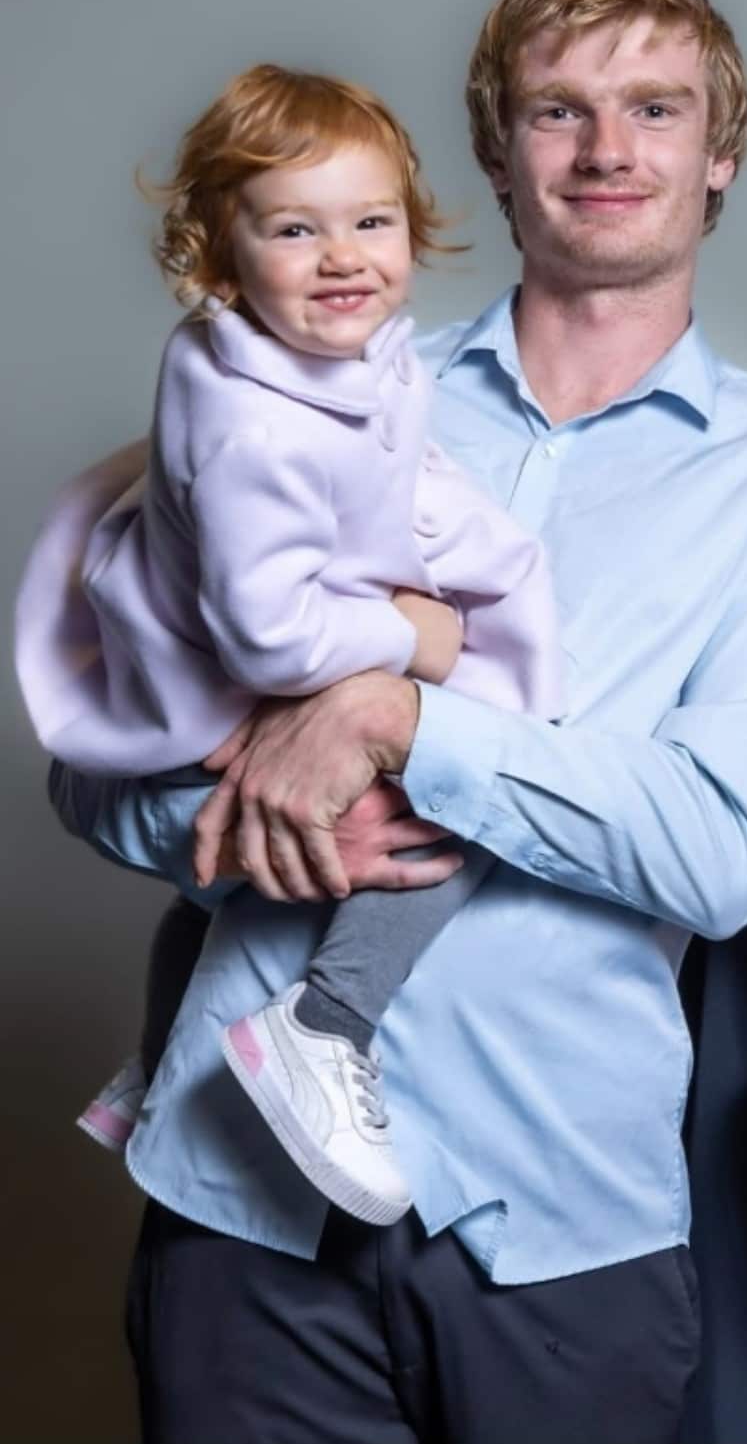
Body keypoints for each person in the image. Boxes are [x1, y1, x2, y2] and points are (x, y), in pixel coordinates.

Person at [31, 0, 747, 1444]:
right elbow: (98, 761)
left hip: (557, 1219)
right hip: (245, 1211)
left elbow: (713, 850)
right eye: (559, 110)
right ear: (492, 152)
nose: (609, 150)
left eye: (656, 108)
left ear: (719, 152)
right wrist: (248, 829)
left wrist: (401, 723)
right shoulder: (293, 383)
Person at [16, 64, 563, 1228]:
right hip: (202, 695)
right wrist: (414, 632)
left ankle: (164, 1059)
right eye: (293, 231)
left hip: (190, 654)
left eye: (370, 223)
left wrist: (472, 550)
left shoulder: (317, 357)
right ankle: (324, 1026)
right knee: (447, 816)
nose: (343, 257)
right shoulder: (257, 431)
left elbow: (388, 468)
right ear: (218, 259)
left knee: (221, 899)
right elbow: (269, 638)